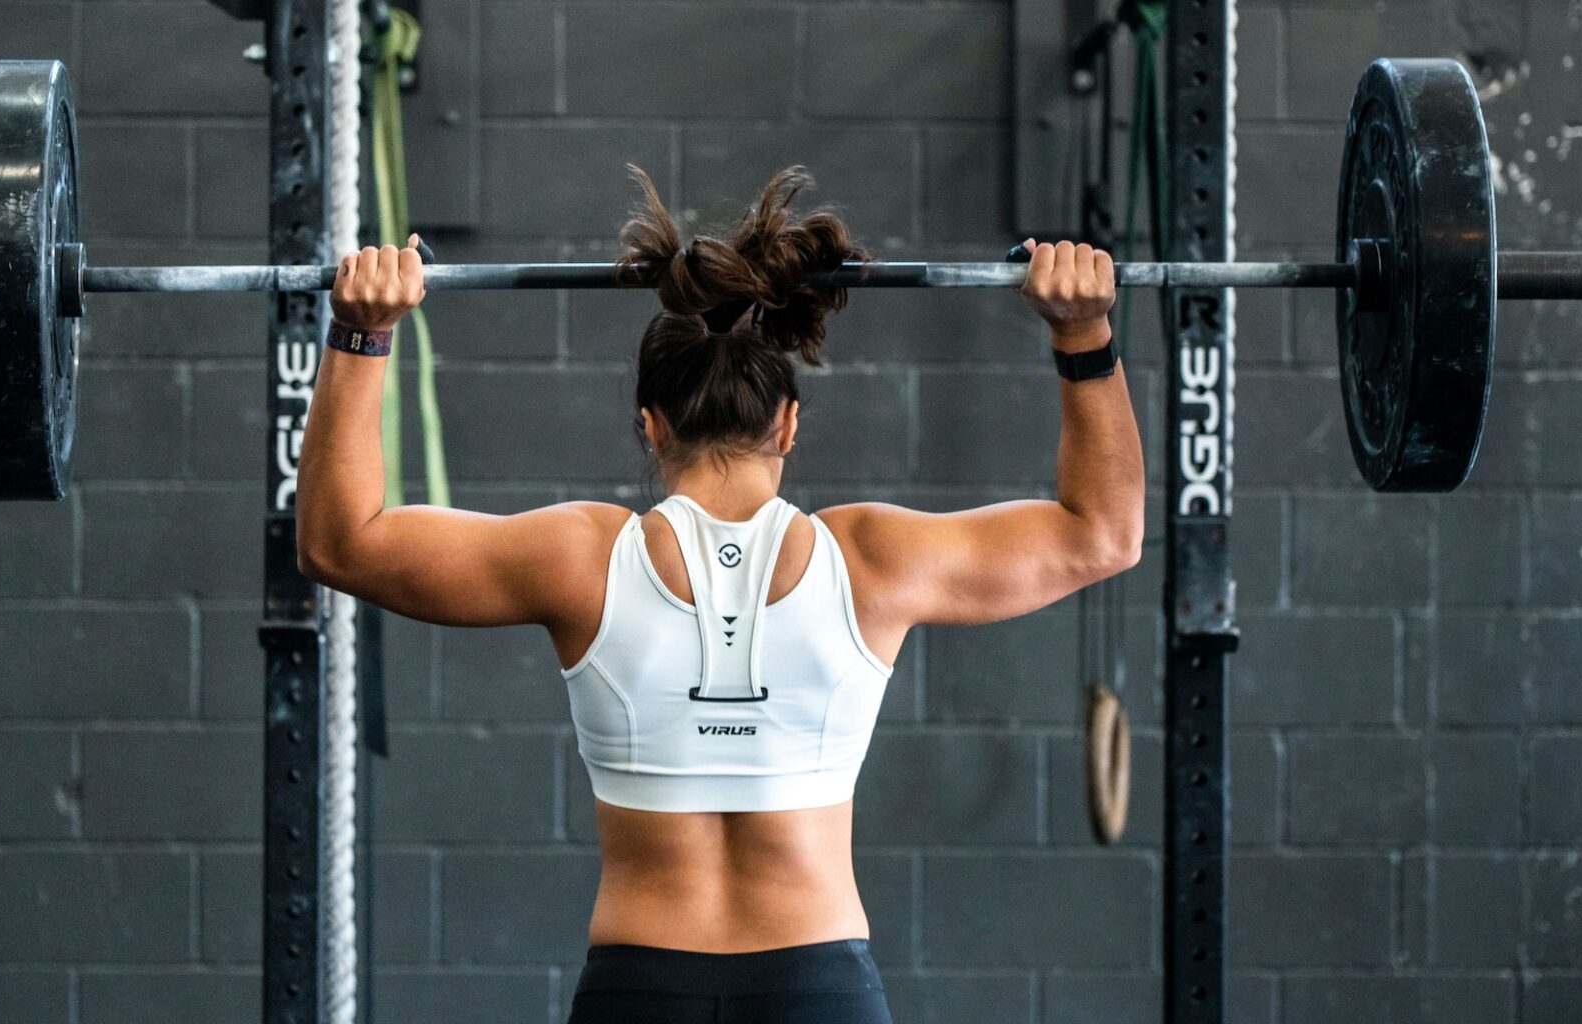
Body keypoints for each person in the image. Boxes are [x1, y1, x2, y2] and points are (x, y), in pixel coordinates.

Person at [295, 166, 1144, 1024]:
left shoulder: (580, 558)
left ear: (650, 423)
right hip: (820, 991)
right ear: (788, 423)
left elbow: (339, 541)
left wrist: (361, 335)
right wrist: (1084, 334)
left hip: (641, 989)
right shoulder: (872, 560)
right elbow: (1102, 534)